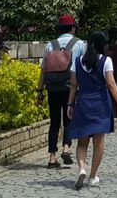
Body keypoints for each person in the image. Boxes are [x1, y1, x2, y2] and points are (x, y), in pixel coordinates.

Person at [66, 31, 117, 190]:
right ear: (103, 46)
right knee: (98, 142)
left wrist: (70, 104)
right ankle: (92, 176)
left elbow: (73, 84)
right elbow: (111, 83)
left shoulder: (78, 61)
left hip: (83, 103)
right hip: (100, 104)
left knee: (82, 142)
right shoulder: (106, 61)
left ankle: (81, 168)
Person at [37, 15, 86, 168]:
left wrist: (39, 90)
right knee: (69, 118)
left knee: (54, 122)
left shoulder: (50, 45)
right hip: (69, 87)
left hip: (52, 88)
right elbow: (82, 68)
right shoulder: (78, 44)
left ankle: (52, 157)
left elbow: (44, 70)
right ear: (73, 28)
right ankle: (66, 148)